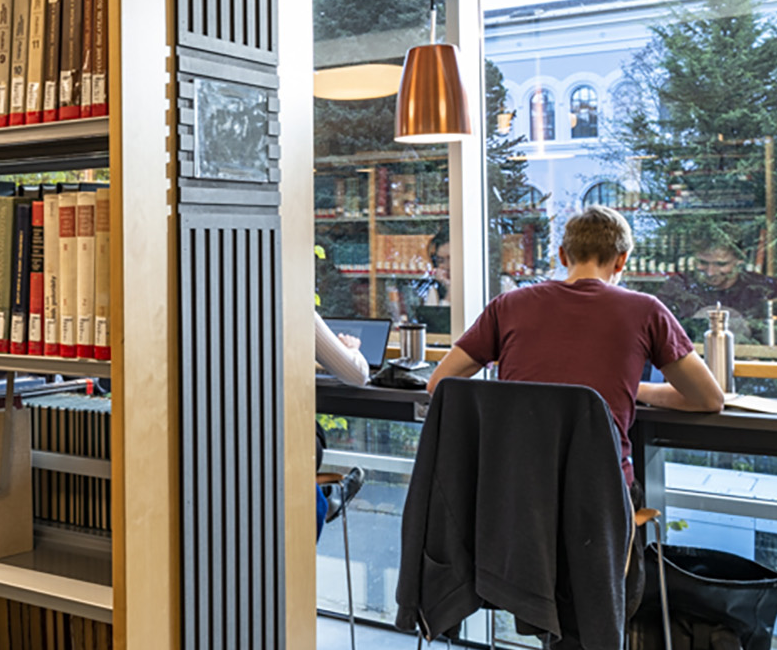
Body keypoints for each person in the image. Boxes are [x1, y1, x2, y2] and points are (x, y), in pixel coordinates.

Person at [426, 205, 724, 613]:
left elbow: (439, 383)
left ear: (563, 255)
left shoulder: (508, 305)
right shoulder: (646, 310)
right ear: (622, 261)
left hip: (511, 497)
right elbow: (709, 399)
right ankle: (605, 630)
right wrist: (634, 390)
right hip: (598, 501)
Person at [654, 237, 777, 345]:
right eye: (703, 263)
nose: (710, 272)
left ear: (740, 259)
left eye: (721, 264)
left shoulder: (763, 289)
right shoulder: (677, 288)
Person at [315, 312, 367, 537]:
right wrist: (352, 348)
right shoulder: (293, 306)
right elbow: (357, 373)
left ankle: (323, 498)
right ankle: (322, 501)